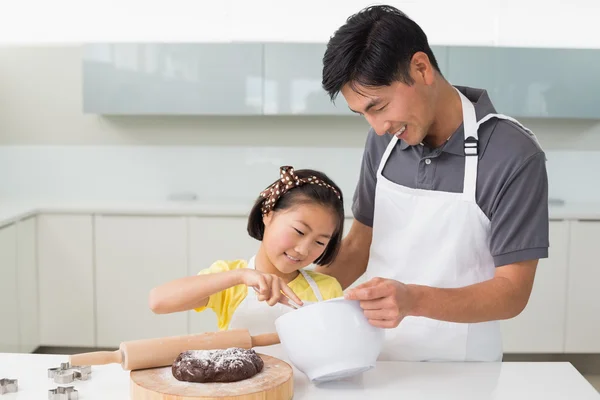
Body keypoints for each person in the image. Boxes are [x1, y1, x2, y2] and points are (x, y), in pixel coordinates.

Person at [315, 5, 549, 362]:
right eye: (362, 114)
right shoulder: (384, 141)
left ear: (420, 68)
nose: (376, 127)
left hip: (464, 369)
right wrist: (296, 287)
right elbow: (360, 246)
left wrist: (412, 300)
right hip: (375, 357)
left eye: (378, 107)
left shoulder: (512, 154)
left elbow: (512, 292)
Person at [149, 166, 345, 356]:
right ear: (268, 214)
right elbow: (158, 301)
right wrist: (240, 276)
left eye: (320, 242)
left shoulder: (327, 289)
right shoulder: (231, 280)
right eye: (299, 231)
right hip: (240, 388)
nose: (303, 249)